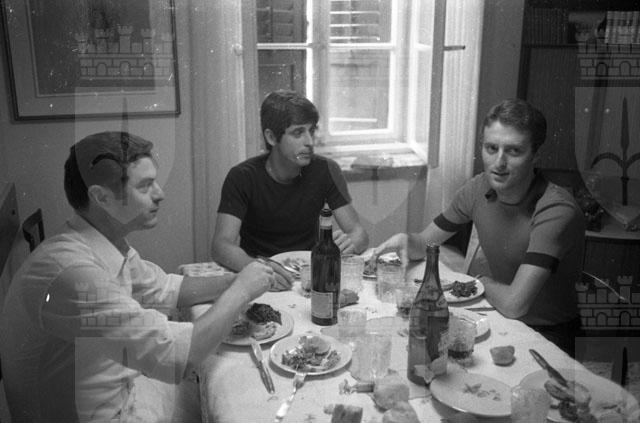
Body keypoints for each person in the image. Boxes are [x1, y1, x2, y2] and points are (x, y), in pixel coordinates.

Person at [0, 132, 276, 422]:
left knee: (227, 384)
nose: (160, 193)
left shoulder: (105, 242)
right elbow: (176, 356)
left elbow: (165, 289)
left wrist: (235, 280)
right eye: (145, 186)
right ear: (101, 198)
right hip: (100, 414)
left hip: (121, 390)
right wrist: (241, 290)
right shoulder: (73, 273)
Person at [373, 99, 585, 357]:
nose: (499, 162)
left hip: (549, 335)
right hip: (501, 317)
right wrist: (406, 240)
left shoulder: (556, 210)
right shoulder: (478, 188)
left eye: (514, 151)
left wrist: (478, 281)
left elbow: (514, 304)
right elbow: (426, 243)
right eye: (491, 148)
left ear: (536, 155)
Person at [211, 90, 369, 290]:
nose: (309, 142)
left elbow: (359, 233)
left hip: (308, 275)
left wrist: (351, 243)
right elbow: (221, 245)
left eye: (311, 131)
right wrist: (256, 268)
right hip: (261, 276)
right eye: (298, 133)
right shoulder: (242, 176)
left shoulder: (326, 169)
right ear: (271, 137)